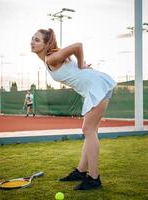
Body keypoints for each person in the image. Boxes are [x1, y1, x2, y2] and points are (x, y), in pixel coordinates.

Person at [30, 28, 117, 190]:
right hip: (94, 86)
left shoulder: (51, 58)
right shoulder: (50, 60)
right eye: (32, 39)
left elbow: (78, 46)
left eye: (37, 40)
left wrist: (82, 65)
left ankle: (94, 178)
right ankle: (81, 171)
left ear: (46, 43)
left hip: (97, 85)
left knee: (88, 130)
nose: (32, 42)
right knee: (90, 131)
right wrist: (80, 66)